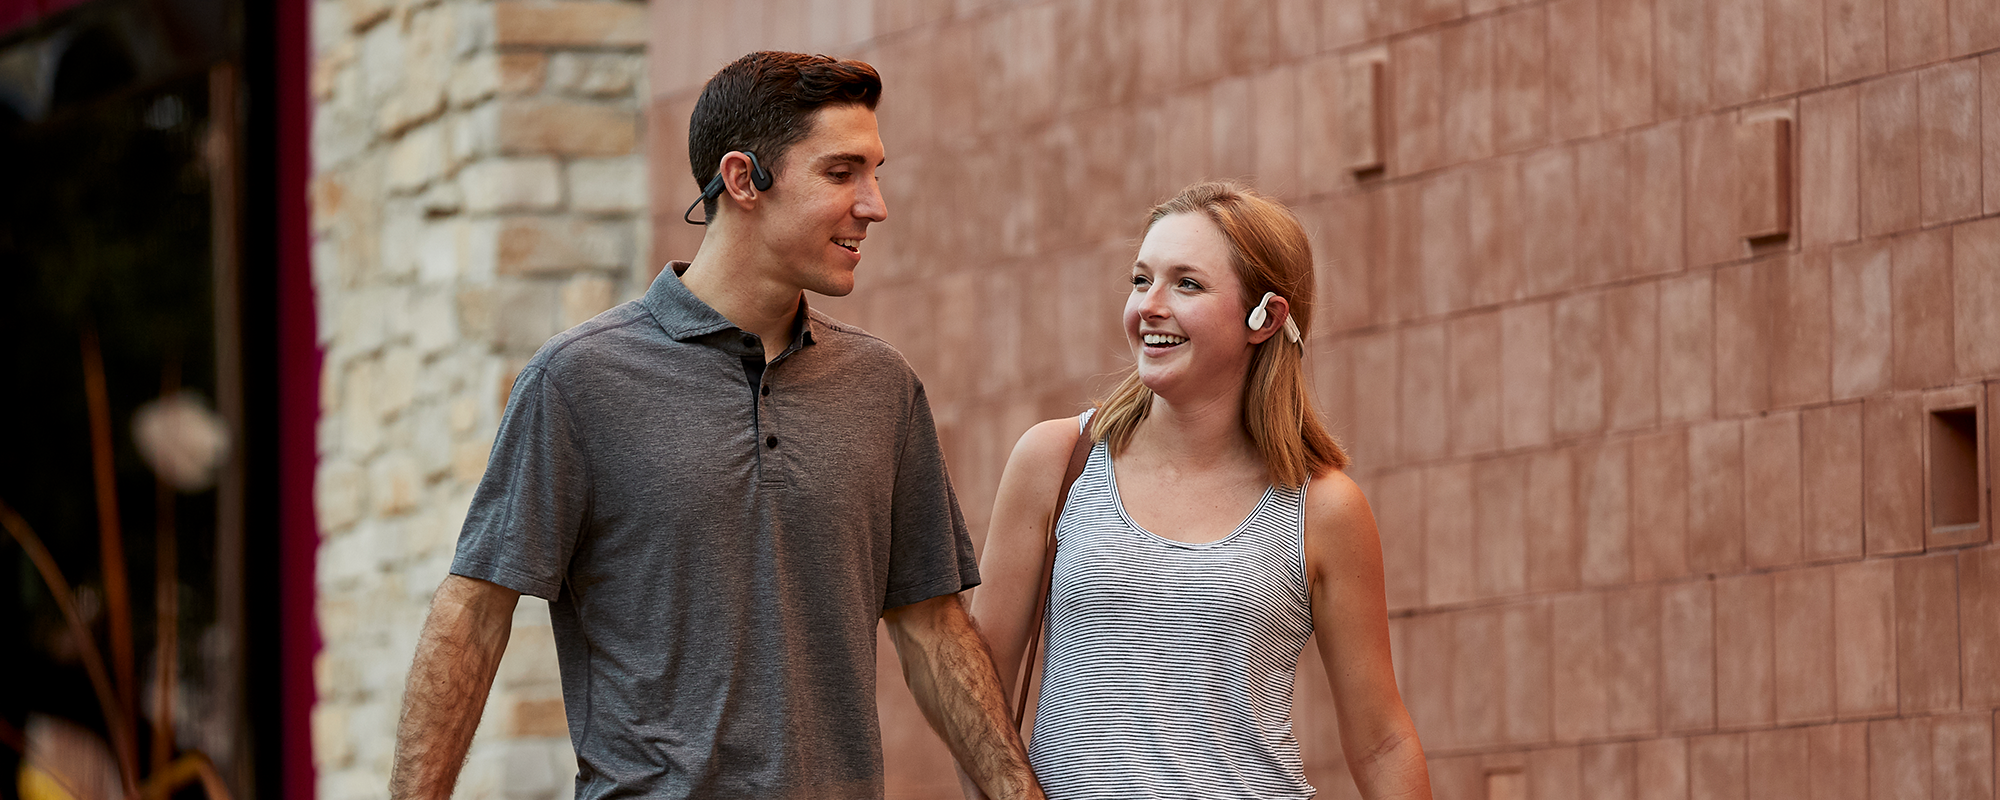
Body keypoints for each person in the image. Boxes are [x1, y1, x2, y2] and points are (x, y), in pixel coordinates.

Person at [389, 51, 1043, 800]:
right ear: (742, 179)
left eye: (876, 171)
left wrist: (1018, 793)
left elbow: (932, 625)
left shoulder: (881, 386)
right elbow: (474, 611)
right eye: (841, 173)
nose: (874, 203)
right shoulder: (578, 381)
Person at [970, 182, 1432, 799]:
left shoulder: (1323, 508)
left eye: (1186, 284)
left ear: (1265, 318)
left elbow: (1382, 744)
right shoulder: (1056, 462)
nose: (1150, 306)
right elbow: (977, 700)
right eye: (1141, 280)